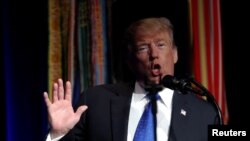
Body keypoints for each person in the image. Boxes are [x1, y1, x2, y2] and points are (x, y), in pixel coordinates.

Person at [44, 17, 219, 141]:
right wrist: (58, 135)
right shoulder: (95, 102)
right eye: (143, 48)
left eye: (161, 45)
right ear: (130, 60)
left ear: (174, 54)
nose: (154, 55)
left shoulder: (205, 114)